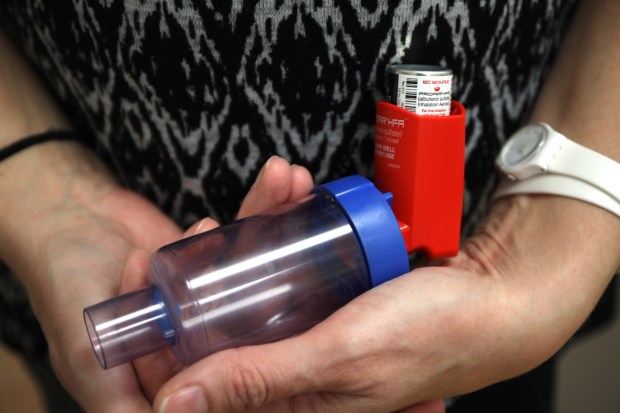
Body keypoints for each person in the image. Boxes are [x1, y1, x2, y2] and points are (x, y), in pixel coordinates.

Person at [0, 1, 618, 412]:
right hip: (86, 242)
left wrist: (527, 270)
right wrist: (45, 195)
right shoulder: (160, 279)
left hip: (463, 297)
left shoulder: (166, 275)